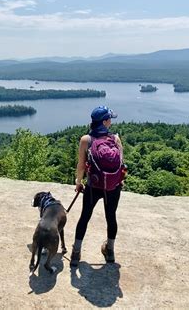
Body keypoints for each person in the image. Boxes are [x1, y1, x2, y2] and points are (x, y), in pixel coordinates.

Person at [70, 106, 124, 267]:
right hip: (113, 187)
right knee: (111, 217)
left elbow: (81, 165)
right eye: (110, 119)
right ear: (105, 121)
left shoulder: (86, 140)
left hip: (93, 186)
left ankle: (76, 253)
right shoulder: (115, 139)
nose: (111, 122)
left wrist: (78, 182)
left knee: (84, 217)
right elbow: (121, 164)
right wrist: (119, 181)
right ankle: (110, 251)